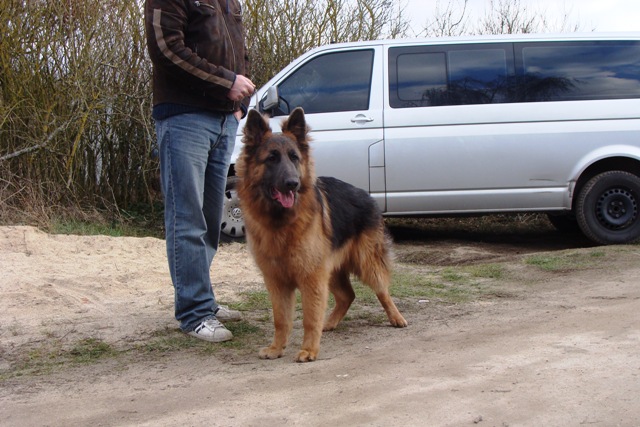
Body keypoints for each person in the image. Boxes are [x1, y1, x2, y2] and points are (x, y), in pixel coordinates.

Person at [144, 0, 255, 342]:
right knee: (187, 217)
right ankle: (194, 313)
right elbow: (166, 49)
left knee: (208, 218)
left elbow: (239, 52)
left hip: (224, 119)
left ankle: (202, 300)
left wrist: (240, 105)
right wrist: (226, 82)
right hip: (184, 117)